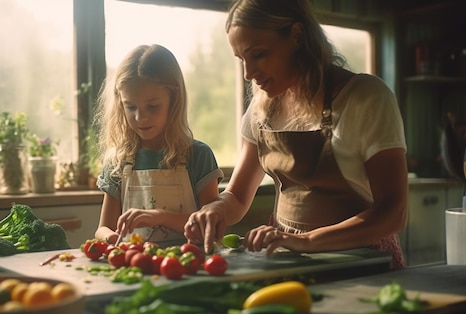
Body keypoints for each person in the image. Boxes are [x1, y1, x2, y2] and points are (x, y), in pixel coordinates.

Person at [184, 0, 408, 269]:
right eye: (242, 59)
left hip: (361, 260)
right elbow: (238, 197)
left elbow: (394, 213)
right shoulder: (261, 107)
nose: (248, 73)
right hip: (286, 255)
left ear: (297, 36)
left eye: (258, 54)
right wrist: (216, 208)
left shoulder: (365, 97)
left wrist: (308, 241)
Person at [93, 44, 224, 248]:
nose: (140, 117)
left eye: (152, 106)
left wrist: (159, 217)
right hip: (133, 266)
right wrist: (111, 238)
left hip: (188, 266)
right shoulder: (118, 162)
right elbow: (102, 229)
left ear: (174, 100)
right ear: (121, 104)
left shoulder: (198, 155)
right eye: (131, 107)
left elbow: (210, 228)